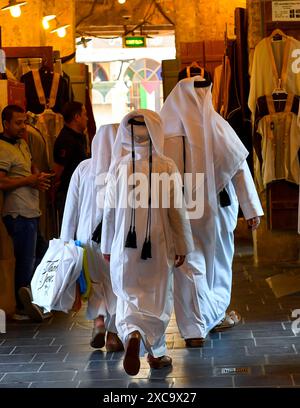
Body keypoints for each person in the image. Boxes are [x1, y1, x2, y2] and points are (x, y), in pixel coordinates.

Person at [160, 76, 264, 347]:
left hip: (179, 209)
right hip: (215, 209)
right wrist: (251, 208)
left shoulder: (162, 130)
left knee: (187, 267)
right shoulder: (218, 125)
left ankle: (194, 328)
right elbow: (238, 168)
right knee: (216, 264)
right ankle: (215, 314)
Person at [101, 110, 194, 376]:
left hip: (124, 246)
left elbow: (108, 211)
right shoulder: (167, 166)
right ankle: (156, 353)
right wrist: (183, 246)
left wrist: (107, 246)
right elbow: (177, 211)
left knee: (128, 294)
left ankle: (131, 333)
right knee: (156, 296)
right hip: (159, 244)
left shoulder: (119, 167)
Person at [60, 123, 123, 352]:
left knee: (95, 284)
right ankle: (113, 334)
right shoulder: (124, 169)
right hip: (115, 239)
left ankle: (98, 322)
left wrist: (66, 242)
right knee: (116, 286)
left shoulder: (83, 168)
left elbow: (71, 208)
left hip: (86, 239)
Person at [0, 104, 52, 321]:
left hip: (32, 210)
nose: (23, 127)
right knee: (25, 260)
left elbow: (30, 169)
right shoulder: (2, 147)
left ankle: (33, 301)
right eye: (18, 123)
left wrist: (38, 178)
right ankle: (22, 306)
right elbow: (2, 181)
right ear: (5, 123)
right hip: (18, 212)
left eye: (24, 122)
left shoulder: (22, 142)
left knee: (38, 256)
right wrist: (29, 180)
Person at [53, 101, 89, 230]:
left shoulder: (80, 137)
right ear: (76, 117)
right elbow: (57, 173)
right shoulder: (65, 140)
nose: (87, 118)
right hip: (68, 195)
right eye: (84, 114)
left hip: (81, 193)